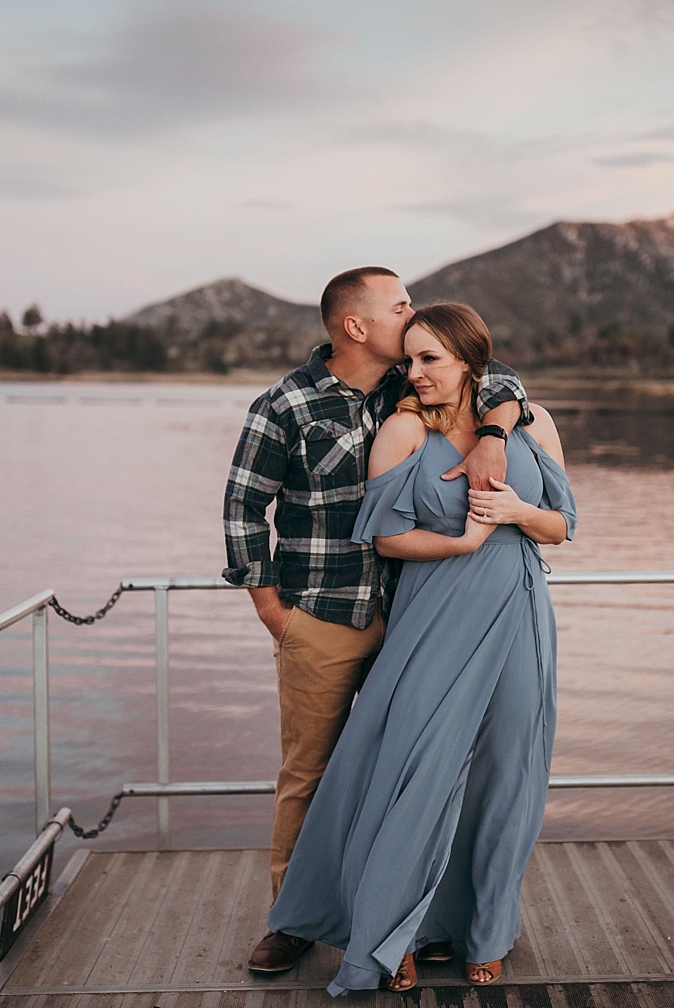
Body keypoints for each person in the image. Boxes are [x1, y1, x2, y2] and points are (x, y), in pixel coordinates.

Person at [222, 268, 532, 973]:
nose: (413, 315)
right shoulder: (286, 404)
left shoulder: (412, 380)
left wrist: (491, 433)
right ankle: (292, 920)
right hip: (324, 615)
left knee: (422, 766)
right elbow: (244, 508)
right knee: (311, 770)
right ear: (355, 326)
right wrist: (274, 611)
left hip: (419, 613)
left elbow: (501, 376)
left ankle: (419, 917)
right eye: (399, 307)